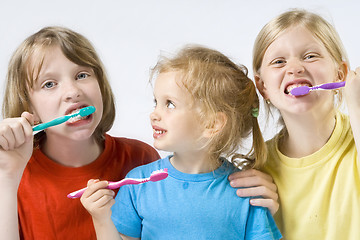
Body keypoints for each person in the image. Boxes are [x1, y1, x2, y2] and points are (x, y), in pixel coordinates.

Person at [80, 46, 282, 240]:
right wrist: (102, 218)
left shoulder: (246, 193)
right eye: (156, 102)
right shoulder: (138, 184)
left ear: (211, 123)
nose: (154, 114)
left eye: (169, 104)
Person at [0, 26, 161, 240]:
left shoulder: (140, 160)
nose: (73, 91)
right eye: (49, 84)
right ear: (30, 108)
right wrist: (8, 176)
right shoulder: (16, 174)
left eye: (82, 75)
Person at [253, 9, 360, 239]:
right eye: (279, 61)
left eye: (310, 56)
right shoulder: (258, 171)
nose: (294, 68)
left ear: (340, 74)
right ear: (262, 86)